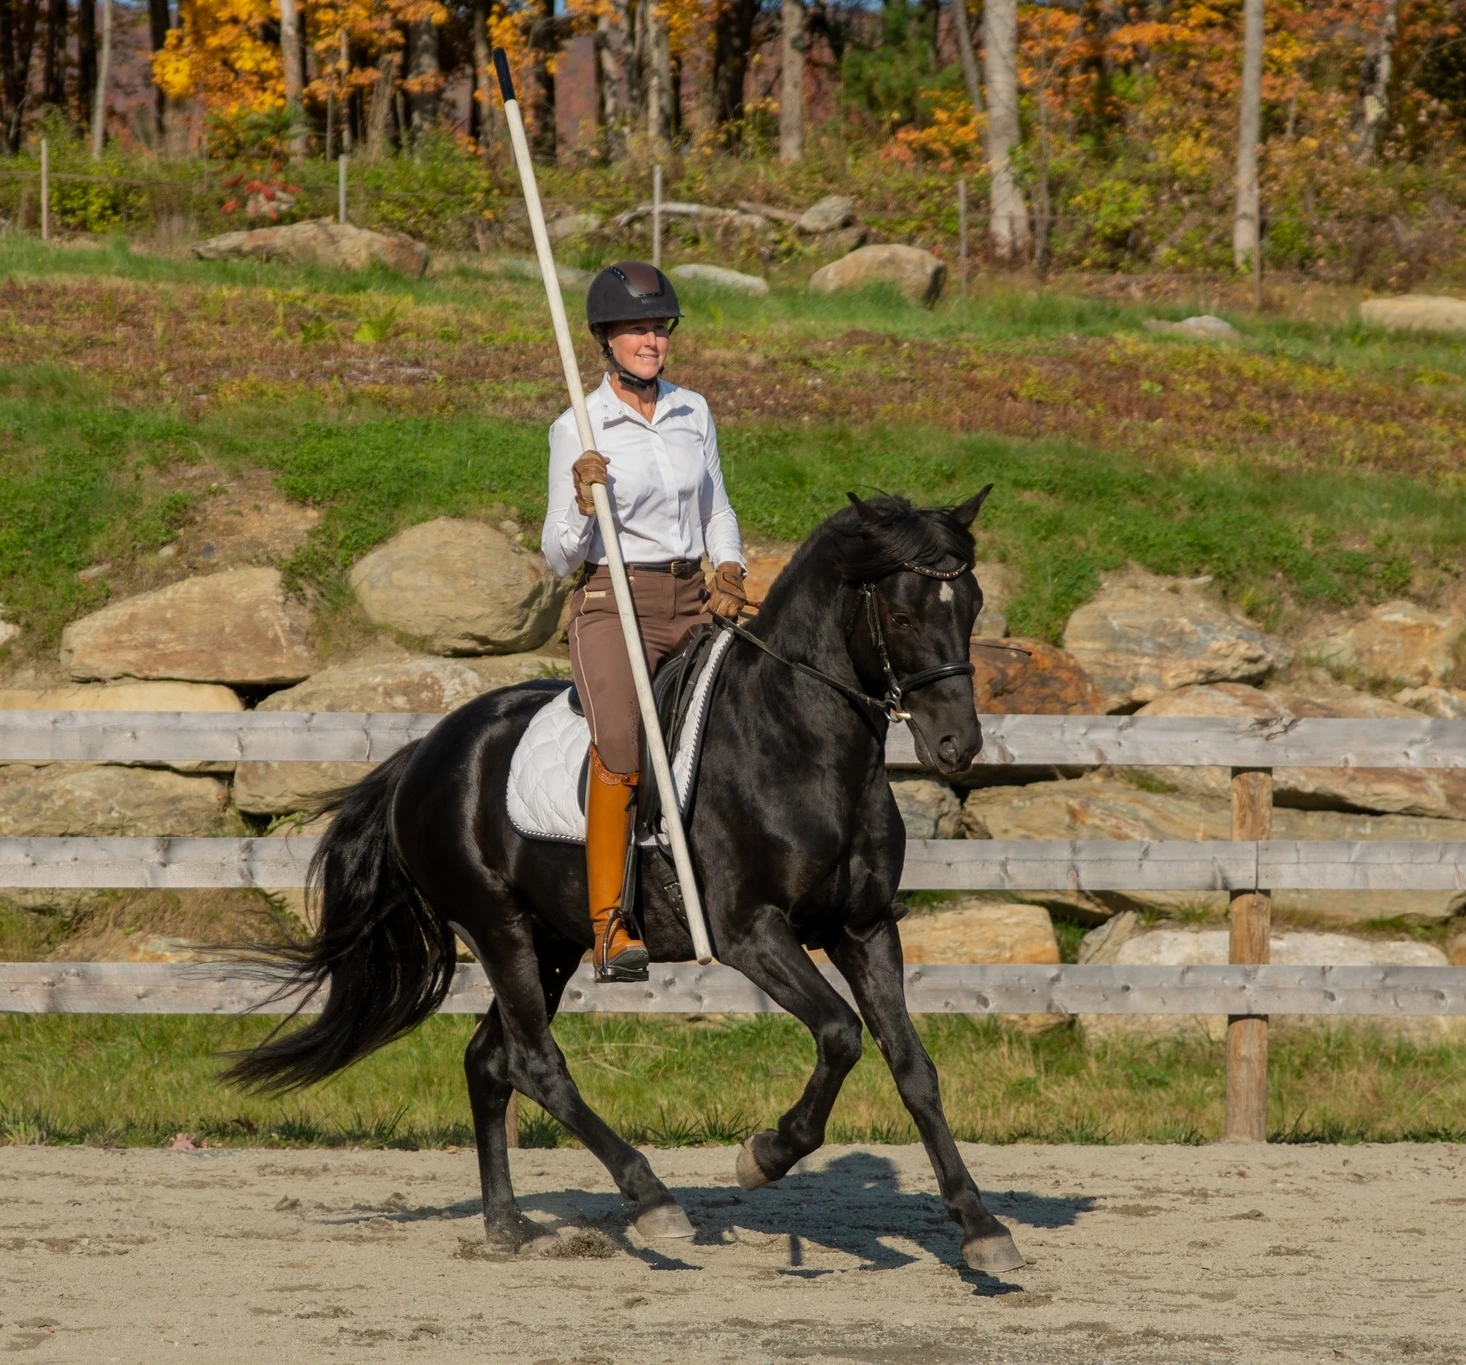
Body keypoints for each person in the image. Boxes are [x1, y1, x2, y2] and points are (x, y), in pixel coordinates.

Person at [541, 262, 748, 983]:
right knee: (624, 740)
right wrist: (580, 499)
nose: (651, 340)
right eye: (636, 329)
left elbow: (717, 504)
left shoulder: (694, 410)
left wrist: (729, 566)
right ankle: (608, 924)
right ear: (605, 339)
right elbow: (556, 552)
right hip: (612, 602)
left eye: (659, 327)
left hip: (693, 595)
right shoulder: (578, 426)